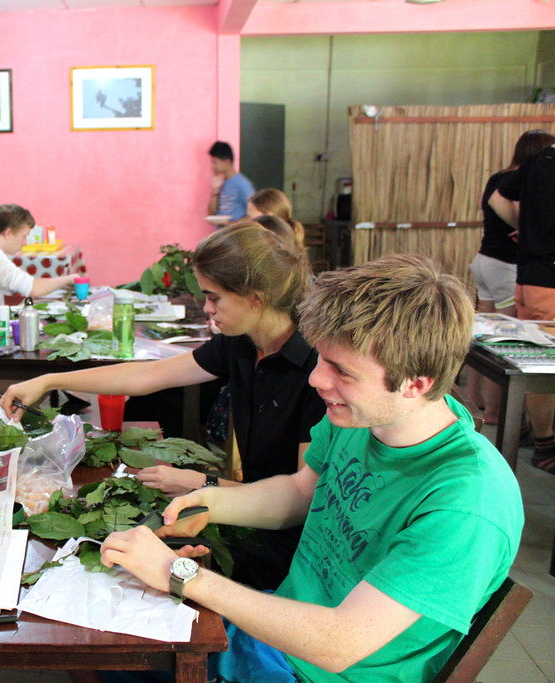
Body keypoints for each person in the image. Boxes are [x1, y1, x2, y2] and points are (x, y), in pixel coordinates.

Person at [100, 254, 523, 683]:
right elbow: (302, 493)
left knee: (110, 658)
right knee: (108, 640)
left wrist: (180, 575)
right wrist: (209, 502)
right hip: (279, 631)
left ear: (415, 384)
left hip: (317, 669)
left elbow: (338, 643)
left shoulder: (466, 505)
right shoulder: (365, 417)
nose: (316, 379)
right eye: (321, 359)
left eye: (341, 371)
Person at [1, 223, 325, 589]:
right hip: (243, 511)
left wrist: (206, 484)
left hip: (288, 547)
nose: (207, 308)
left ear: (256, 297)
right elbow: (149, 375)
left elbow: (303, 501)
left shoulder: (317, 370)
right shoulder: (244, 341)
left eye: (214, 297)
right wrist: (48, 381)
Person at [471, 130, 555, 426]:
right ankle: (498, 415)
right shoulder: (538, 174)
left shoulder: (503, 177)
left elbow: (495, 200)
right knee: (505, 349)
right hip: (508, 267)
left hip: (485, 262)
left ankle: (477, 404)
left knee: (482, 342)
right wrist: (529, 231)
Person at [490, 132, 555, 473]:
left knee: (537, 364)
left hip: (529, 275)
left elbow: (499, 199)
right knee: (545, 367)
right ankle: (545, 445)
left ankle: (537, 435)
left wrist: (526, 231)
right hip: (547, 281)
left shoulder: (536, 162)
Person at [0, 203, 77, 308]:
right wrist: (68, 279)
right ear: (7, 233)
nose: (25, 243)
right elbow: (33, 288)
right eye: (24, 236)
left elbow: (14, 290)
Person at [206, 141, 255, 223]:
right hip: (222, 233)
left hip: (236, 233)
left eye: (215, 162)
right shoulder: (220, 182)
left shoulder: (242, 184)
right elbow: (211, 213)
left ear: (227, 162)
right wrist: (215, 190)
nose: (213, 166)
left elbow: (254, 214)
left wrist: (231, 226)